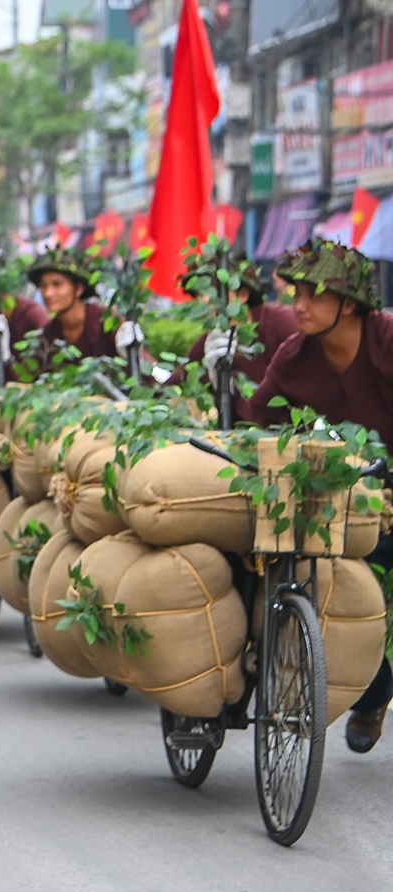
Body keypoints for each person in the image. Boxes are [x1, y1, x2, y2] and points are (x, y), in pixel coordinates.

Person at [247, 239, 393, 753]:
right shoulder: (294, 356)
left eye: (313, 295)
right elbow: (258, 423)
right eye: (296, 294)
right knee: (343, 590)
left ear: (349, 304)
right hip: (342, 501)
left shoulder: (387, 340)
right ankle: (373, 691)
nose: (299, 306)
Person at [188, 254, 298, 411]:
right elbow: (168, 388)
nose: (204, 300)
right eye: (198, 293)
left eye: (213, 289)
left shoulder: (283, 323)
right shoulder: (210, 344)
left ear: (242, 295)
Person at [26, 247, 144, 364]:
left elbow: (146, 366)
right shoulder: (48, 335)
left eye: (57, 284)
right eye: (43, 286)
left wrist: (133, 354)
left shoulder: (107, 321)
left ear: (78, 289)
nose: (48, 293)